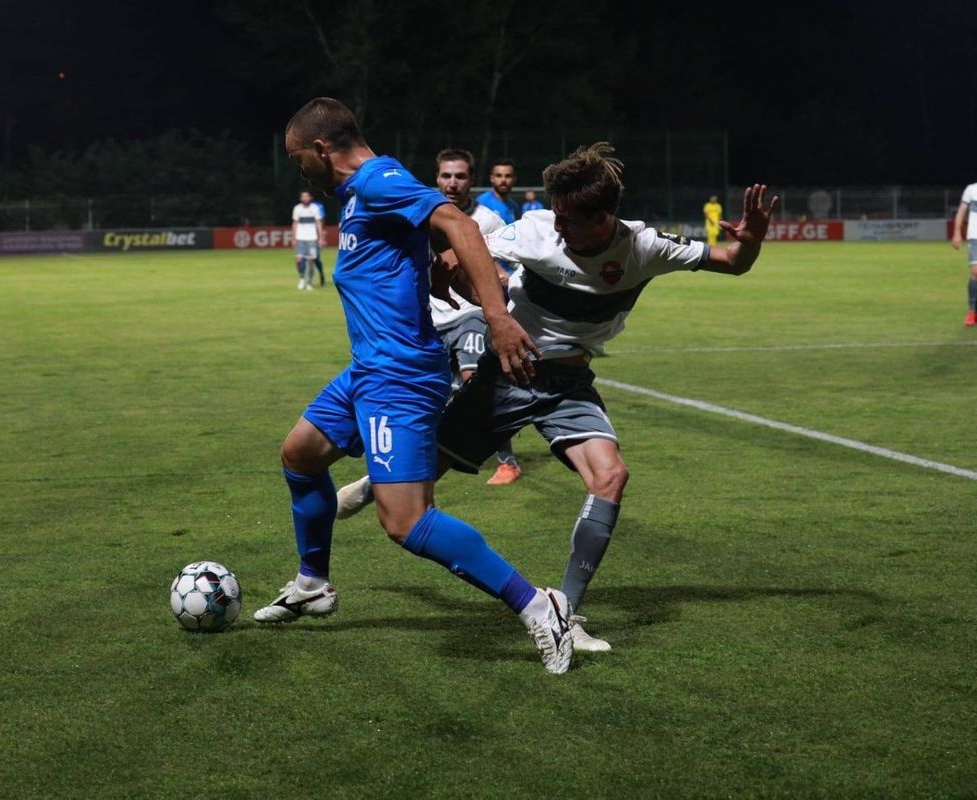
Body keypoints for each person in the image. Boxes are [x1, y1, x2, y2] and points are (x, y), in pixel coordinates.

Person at [336, 143, 778, 652]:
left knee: (610, 476)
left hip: (568, 384)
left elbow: (732, 261)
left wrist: (754, 241)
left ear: (604, 217)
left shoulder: (644, 246)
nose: (558, 225)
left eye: (569, 218)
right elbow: (470, 246)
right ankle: (378, 482)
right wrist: (449, 262)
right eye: (557, 214)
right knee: (425, 473)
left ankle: (563, 610)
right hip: (509, 374)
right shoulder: (536, 230)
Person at [255, 97, 577, 674]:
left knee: (406, 521)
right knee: (300, 455)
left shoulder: (379, 180)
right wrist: (430, 265)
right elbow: (418, 244)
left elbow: (454, 221)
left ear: (322, 149)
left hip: (399, 377)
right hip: (368, 369)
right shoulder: (360, 195)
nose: (297, 169)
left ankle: (536, 604)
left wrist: (498, 317)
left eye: (298, 158)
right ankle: (312, 582)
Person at [431, 148, 523, 485]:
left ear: (471, 180)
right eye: (446, 176)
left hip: (472, 313)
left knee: (473, 378)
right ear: (437, 177)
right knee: (435, 388)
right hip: (434, 317)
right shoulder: (423, 213)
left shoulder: (488, 220)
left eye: (460, 176)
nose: (452, 183)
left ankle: (508, 461)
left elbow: (512, 267)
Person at [949, 181, 977, 326]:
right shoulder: (971, 189)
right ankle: (972, 311)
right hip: (974, 236)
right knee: (975, 272)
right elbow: (961, 211)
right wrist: (957, 232)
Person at [291, 190, 325, 290]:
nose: (305, 198)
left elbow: (319, 223)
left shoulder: (315, 208)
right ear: (301, 198)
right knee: (298, 259)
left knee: (311, 260)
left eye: (307, 196)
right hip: (300, 238)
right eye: (303, 197)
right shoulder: (297, 208)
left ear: (310, 198)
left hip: (312, 238)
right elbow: (295, 223)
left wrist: (321, 238)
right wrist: (293, 238)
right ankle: (302, 278)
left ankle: (309, 282)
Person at [477, 159, 521, 225]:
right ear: (492, 178)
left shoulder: (514, 207)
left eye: (508, 176)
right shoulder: (481, 203)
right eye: (499, 176)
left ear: (514, 179)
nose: (503, 180)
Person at [312, 197, 328, 286]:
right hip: (305, 235)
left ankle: (321, 275)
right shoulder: (300, 207)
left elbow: (322, 219)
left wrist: (321, 236)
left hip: (315, 235)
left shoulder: (318, 205)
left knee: (315, 258)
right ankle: (306, 280)